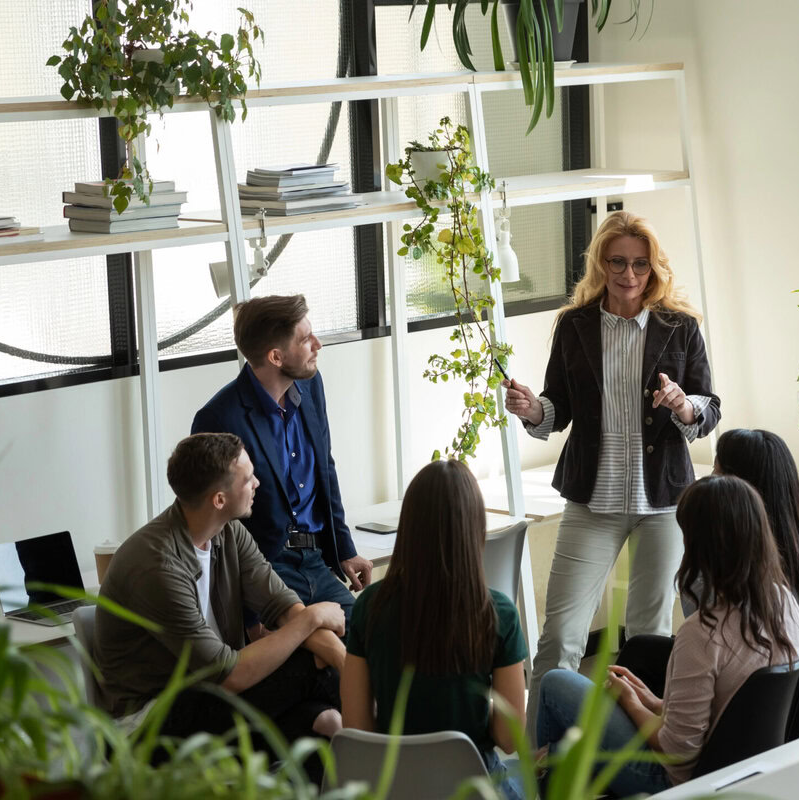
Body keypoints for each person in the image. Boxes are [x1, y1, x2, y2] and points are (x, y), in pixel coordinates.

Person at [501, 210, 721, 726]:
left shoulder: (680, 327)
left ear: (654, 267)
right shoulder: (574, 325)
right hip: (592, 501)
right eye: (618, 262)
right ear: (601, 263)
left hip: (663, 502)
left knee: (648, 636)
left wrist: (682, 404)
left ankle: (639, 750)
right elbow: (559, 405)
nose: (629, 274)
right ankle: (539, 752)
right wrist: (532, 409)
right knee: (561, 636)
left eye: (640, 264)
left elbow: (709, 408)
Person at [536, 475, 799, 795]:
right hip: (745, 768)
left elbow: (676, 752)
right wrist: (654, 702)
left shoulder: (703, 633)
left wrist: (630, 702)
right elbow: (728, 713)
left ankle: (549, 770)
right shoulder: (785, 601)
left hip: (677, 781)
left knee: (555, 683)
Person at [95, 433, 347, 761]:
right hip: (149, 725)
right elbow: (229, 674)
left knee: (324, 719)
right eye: (248, 478)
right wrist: (313, 619)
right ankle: (388, 745)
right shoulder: (156, 567)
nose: (257, 483)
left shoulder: (227, 532)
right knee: (308, 666)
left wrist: (342, 656)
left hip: (209, 696)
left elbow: (282, 605)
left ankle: (373, 744)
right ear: (218, 499)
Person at [192, 294, 373, 645]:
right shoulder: (219, 418)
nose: (318, 345)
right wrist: (248, 616)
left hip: (315, 560)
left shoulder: (310, 384)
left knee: (369, 641)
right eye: (305, 340)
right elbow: (214, 525)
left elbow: (325, 468)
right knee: (324, 656)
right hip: (265, 573)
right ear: (276, 357)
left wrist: (344, 549)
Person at [341, 460, 527, 799]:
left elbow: (356, 726)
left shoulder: (369, 606)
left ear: (408, 526)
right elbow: (509, 738)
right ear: (474, 527)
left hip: (394, 787)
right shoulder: (498, 613)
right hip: (473, 787)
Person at [617, 428, 799, 694]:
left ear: (736, 490)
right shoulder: (792, 553)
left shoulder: (725, 576)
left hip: (769, 695)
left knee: (634, 664)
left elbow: (712, 643)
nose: (710, 478)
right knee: (641, 650)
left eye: (716, 471)